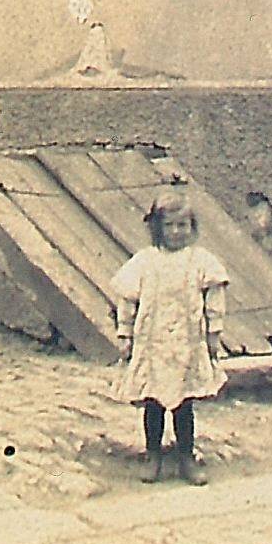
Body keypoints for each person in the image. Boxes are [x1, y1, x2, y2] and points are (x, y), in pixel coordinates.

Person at [112, 187, 229, 485]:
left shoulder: (200, 261)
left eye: (183, 226)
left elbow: (214, 300)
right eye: (170, 226)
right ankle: (153, 455)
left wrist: (214, 334)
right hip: (153, 345)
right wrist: (125, 332)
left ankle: (186, 456)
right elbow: (127, 300)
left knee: (183, 403)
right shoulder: (145, 261)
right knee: (153, 402)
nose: (176, 232)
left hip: (185, 345)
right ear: (158, 228)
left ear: (192, 228)